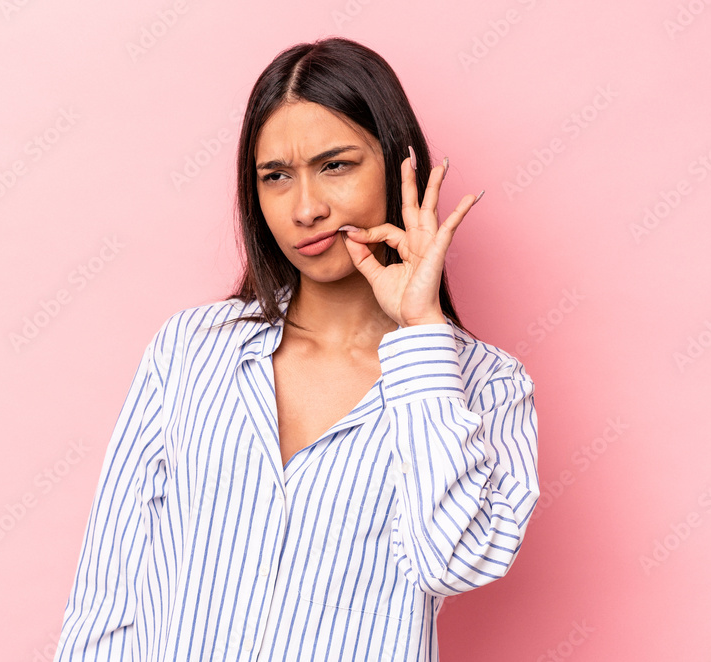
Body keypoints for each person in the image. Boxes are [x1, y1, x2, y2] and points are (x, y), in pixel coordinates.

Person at [53, 37, 539, 662]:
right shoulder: (190, 351)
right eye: (276, 177)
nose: (306, 209)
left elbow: (455, 561)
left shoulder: (489, 386)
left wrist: (421, 333)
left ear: (399, 166)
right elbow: (108, 594)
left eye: (336, 165)